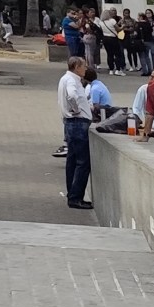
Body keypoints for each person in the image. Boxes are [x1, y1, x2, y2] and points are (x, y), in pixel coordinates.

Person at [58, 56, 96, 209]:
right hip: (78, 122)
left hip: (71, 123)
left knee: (72, 160)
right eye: (83, 66)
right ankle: (76, 197)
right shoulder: (72, 81)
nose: (86, 69)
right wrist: (76, 109)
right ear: (76, 67)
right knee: (82, 162)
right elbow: (72, 95)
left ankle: (72, 193)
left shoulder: (65, 79)